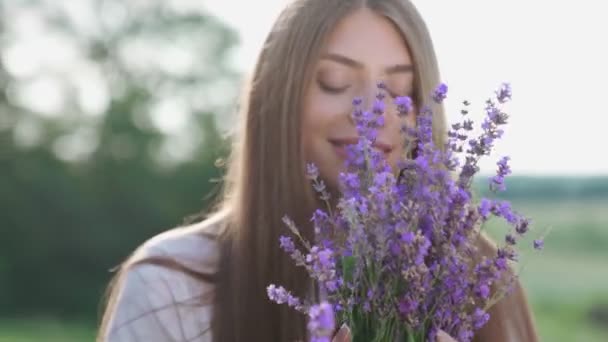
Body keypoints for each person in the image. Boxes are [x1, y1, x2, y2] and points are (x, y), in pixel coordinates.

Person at [97, 0, 539, 341]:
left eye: (402, 89)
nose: (373, 111)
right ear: (277, 98)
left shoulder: (479, 276)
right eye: (334, 82)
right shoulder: (173, 285)